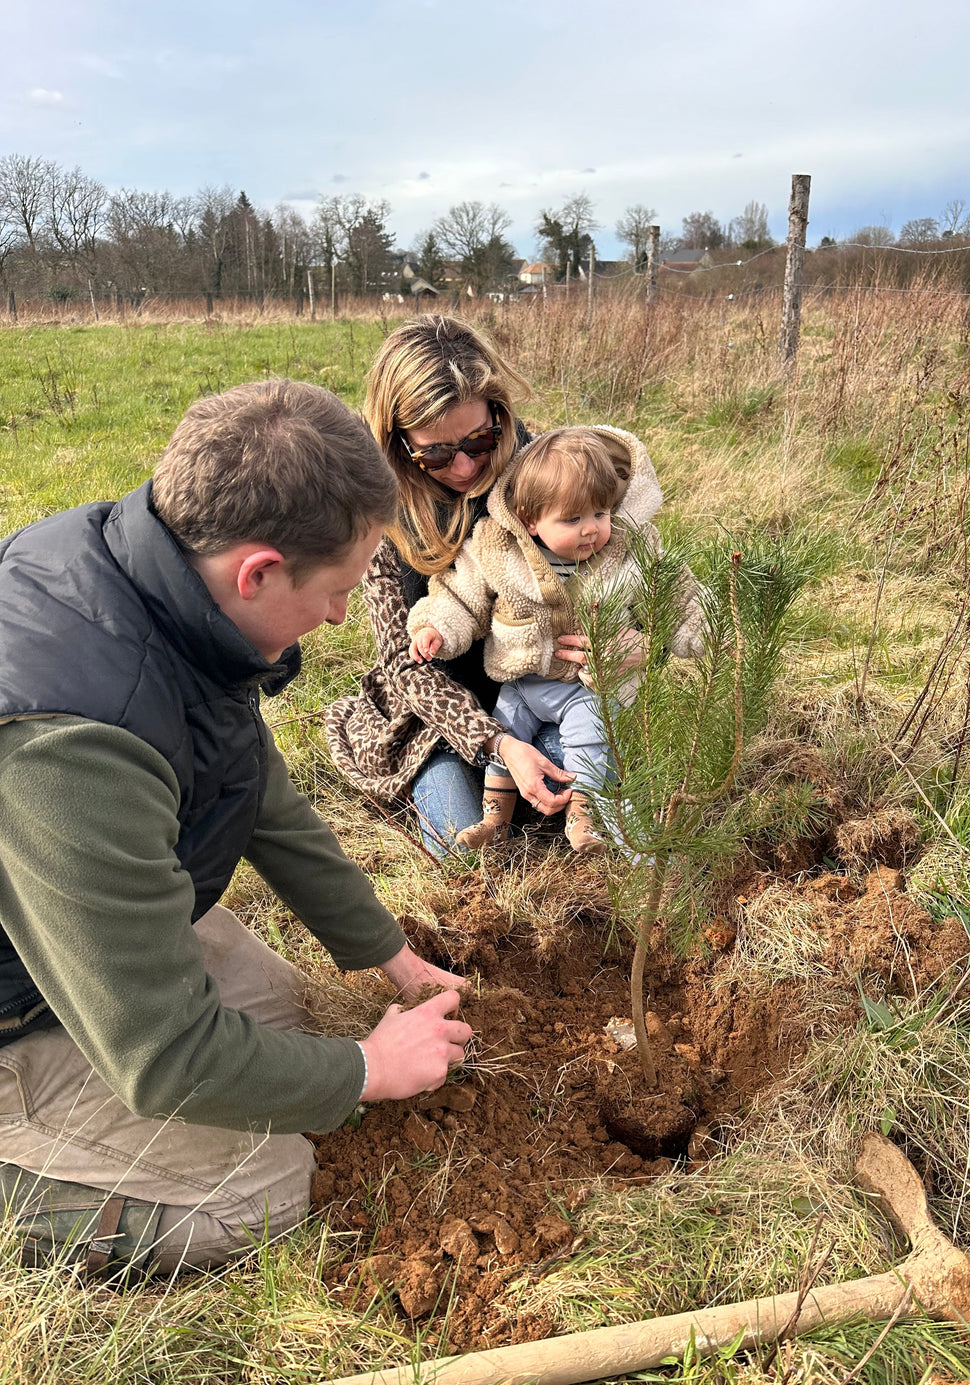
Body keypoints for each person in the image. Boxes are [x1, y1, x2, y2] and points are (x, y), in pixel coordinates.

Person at [0, 379, 472, 1277]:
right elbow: (165, 1053)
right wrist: (365, 1071)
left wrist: (384, 951)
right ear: (257, 571)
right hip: (8, 1003)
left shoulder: (155, 577)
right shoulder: (69, 743)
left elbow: (253, 783)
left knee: (283, 1018)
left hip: (45, 920)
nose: (340, 616)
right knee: (261, 1187)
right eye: (335, 590)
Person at [325, 315, 646, 856]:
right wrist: (496, 742)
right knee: (461, 843)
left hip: (547, 693)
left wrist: (637, 641)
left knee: (572, 750)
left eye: (480, 438)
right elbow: (404, 666)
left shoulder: (546, 466)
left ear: (499, 411)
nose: (467, 463)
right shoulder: (381, 514)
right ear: (399, 443)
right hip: (440, 718)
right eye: (437, 453)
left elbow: (631, 559)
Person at [407, 427, 705, 853]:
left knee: (590, 738)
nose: (590, 531)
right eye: (572, 520)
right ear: (529, 520)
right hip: (522, 683)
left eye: (599, 514)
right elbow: (461, 594)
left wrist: (706, 635)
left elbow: (679, 594)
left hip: (586, 685)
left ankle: (585, 818)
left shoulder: (627, 550)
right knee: (505, 728)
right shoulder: (498, 549)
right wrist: (435, 627)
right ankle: (496, 819)